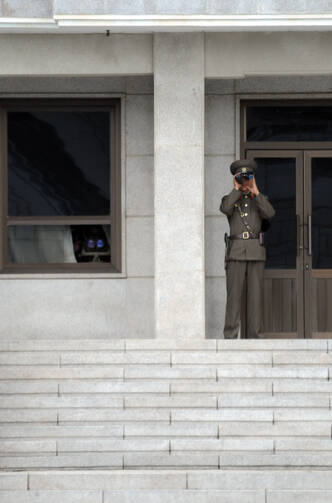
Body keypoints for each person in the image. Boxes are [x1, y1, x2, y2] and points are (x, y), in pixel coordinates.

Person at [220, 159, 275, 339]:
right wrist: (236, 189)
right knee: (233, 297)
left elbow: (270, 214)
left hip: (255, 253)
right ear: (235, 178)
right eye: (241, 177)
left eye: (248, 177)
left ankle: (256, 336)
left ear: (253, 179)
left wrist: (256, 192)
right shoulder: (230, 199)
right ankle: (230, 336)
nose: (245, 181)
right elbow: (225, 208)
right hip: (235, 252)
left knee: (255, 298)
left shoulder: (259, 200)